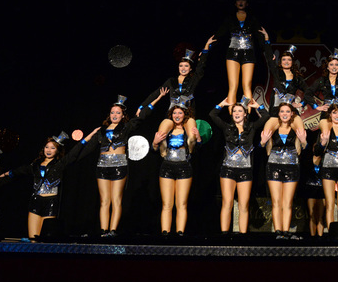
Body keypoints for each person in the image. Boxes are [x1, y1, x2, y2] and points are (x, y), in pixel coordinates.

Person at [86, 94, 158, 237]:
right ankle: (103, 231)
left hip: (119, 165)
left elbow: (142, 116)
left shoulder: (126, 127)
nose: (114, 115)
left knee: (116, 199)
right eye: (112, 112)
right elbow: (88, 145)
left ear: (123, 115)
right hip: (102, 166)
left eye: (118, 113)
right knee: (104, 201)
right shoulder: (102, 130)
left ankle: (112, 231)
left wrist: (157, 98)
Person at [5, 130, 97, 240]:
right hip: (35, 201)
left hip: (51, 202)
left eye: (52, 148)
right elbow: (21, 170)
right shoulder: (35, 165)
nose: (48, 150)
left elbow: (75, 151)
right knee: (32, 238)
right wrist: (7, 173)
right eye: (47, 147)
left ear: (57, 151)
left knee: (45, 238)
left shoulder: (60, 164)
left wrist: (91, 134)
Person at [209, 96, 269, 234]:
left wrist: (257, 106)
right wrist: (222, 103)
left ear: (245, 114)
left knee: (243, 205)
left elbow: (266, 116)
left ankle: (243, 236)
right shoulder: (227, 127)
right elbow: (212, 114)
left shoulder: (252, 127)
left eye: (240, 111)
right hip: (228, 169)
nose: (237, 113)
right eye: (234, 111)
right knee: (227, 203)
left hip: (245, 170)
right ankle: (225, 235)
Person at [152, 97, 202, 235]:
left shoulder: (188, 130)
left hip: (184, 167)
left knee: (181, 204)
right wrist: (155, 142)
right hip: (167, 167)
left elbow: (196, 150)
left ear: (185, 114)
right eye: (174, 113)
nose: (177, 115)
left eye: (180, 113)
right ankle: (165, 233)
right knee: (167, 204)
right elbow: (155, 150)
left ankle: (180, 233)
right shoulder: (167, 130)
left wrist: (198, 138)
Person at [260, 97, 308, 239]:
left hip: (292, 167)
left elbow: (304, 147)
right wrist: (263, 142)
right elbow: (261, 146)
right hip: (273, 166)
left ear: (292, 113)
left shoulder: (295, 128)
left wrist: (303, 141)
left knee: (287, 202)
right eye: (282, 111)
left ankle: (286, 232)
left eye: (287, 111)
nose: (285, 114)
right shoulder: (273, 127)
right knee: (276, 202)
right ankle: (278, 232)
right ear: (279, 113)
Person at [140, 36, 216, 116]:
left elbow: (201, 66)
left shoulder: (193, 79)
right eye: (181, 66)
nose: (183, 68)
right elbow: (155, 94)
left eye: (186, 66)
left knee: (191, 124)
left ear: (190, 69)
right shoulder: (171, 81)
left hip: (188, 114)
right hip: (172, 113)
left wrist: (206, 46)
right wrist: (142, 106)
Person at [213, 0, 265, 106]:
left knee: (247, 86)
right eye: (238, 0)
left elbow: (260, 36)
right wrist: (207, 47)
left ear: (247, 3)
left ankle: (246, 115)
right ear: (235, 3)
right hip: (233, 52)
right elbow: (219, 34)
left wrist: (268, 51)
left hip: (248, 53)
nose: (241, 2)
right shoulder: (230, 18)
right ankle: (233, 117)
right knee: (233, 86)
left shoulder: (252, 19)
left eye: (243, 0)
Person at [314, 101, 338, 233]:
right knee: (330, 204)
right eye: (334, 113)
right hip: (328, 169)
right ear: (330, 115)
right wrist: (323, 143)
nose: (337, 116)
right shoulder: (326, 129)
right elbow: (317, 153)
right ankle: (331, 234)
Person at [260, 34, 308, 116]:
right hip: (276, 110)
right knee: (269, 124)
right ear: (280, 62)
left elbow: (309, 92)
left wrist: (301, 104)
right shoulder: (277, 72)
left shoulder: (297, 78)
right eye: (284, 59)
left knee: (298, 123)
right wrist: (267, 39)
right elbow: (269, 57)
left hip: (290, 110)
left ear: (292, 62)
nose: (286, 62)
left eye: (289, 60)